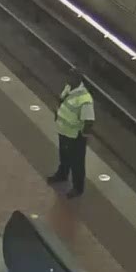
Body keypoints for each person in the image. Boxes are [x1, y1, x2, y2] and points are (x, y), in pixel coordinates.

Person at [46, 67, 95, 199]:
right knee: (64, 155)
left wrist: (83, 136)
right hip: (64, 131)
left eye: (71, 77)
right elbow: (62, 100)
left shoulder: (85, 99)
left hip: (75, 136)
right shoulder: (69, 88)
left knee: (77, 162)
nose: (68, 79)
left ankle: (78, 188)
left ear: (78, 79)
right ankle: (62, 174)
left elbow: (89, 120)